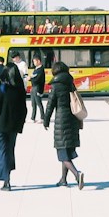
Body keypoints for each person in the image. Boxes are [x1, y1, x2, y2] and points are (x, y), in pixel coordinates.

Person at [0, 56, 27, 191]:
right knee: (9, 150)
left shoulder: (0, 86)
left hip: (0, 125)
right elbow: (24, 109)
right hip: (13, 126)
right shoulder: (19, 89)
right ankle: (7, 178)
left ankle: (5, 180)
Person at [43, 60, 84, 189]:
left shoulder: (55, 85)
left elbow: (50, 105)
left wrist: (46, 120)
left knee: (62, 152)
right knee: (66, 149)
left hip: (61, 120)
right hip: (73, 119)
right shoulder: (70, 82)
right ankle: (63, 179)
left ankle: (77, 175)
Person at [29, 56, 49, 124]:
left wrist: (30, 78)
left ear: (38, 61)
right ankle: (33, 117)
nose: (34, 63)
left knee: (38, 103)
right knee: (33, 103)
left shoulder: (40, 69)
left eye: (34, 61)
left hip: (37, 87)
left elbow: (38, 79)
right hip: (33, 87)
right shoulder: (36, 69)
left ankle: (42, 117)